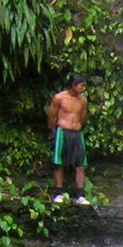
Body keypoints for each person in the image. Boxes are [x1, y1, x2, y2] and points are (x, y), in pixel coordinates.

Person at [47, 75, 89, 204]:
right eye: (81, 85)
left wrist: (77, 126)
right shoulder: (59, 98)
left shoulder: (83, 100)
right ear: (74, 85)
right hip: (62, 131)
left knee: (80, 164)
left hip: (76, 132)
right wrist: (54, 131)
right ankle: (58, 193)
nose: (84, 88)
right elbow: (52, 116)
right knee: (59, 163)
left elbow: (83, 117)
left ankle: (80, 195)